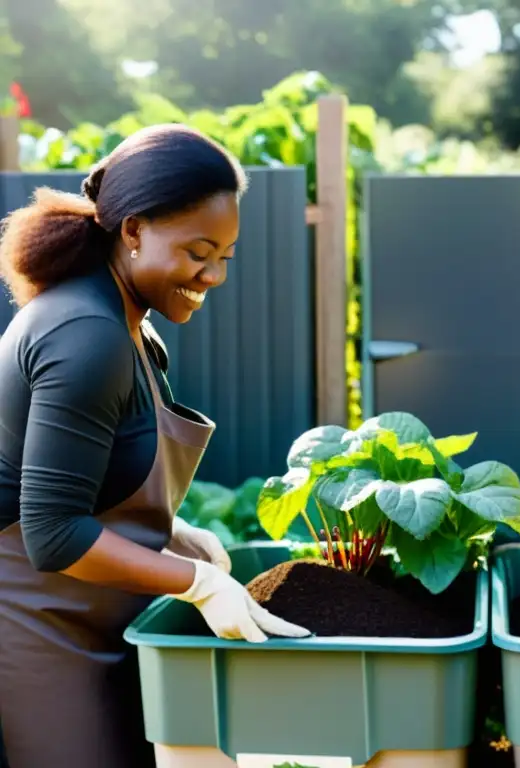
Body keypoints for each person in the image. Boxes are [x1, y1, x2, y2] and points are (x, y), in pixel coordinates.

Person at [0, 124, 310, 768]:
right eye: (199, 250)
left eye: (226, 254)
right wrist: (197, 583)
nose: (215, 275)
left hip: (100, 615)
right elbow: (53, 533)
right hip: (34, 624)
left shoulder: (130, 328)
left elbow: (94, 479)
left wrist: (177, 533)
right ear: (134, 230)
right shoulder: (86, 335)